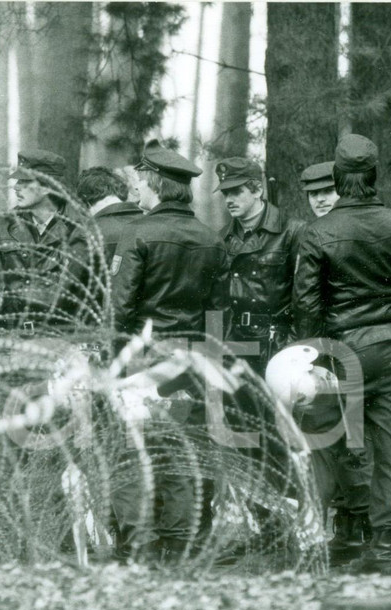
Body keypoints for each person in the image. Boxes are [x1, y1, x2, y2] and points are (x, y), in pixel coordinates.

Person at [293, 134, 391, 575]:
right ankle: (384, 549)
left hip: (341, 352)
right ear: (373, 176)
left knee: (333, 440)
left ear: (338, 177)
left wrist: (311, 359)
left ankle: (344, 530)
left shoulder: (319, 232)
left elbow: (307, 305)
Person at [110, 140, 228, 562]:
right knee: (182, 451)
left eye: (141, 182)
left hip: (143, 359)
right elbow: (218, 312)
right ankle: (179, 544)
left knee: (132, 453)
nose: (137, 190)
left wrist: (113, 364)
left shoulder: (137, 233)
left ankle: (139, 543)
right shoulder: (211, 239)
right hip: (192, 359)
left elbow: (118, 308)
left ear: (156, 184)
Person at [295, 159, 372, 567]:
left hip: (356, 354)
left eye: (328, 190)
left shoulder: (361, 230)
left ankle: (357, 529)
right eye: (313, 193)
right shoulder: (307, 235)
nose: (321, 199)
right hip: (321, 358)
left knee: (356, 444)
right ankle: (325, 533)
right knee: (323, 444)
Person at [0, 150, 91, 332]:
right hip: (13, 336)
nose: (16, 187)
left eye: (24, 182)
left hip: (62, 338)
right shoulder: (5, 224)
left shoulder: (79, 228)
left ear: (47, 187)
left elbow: (72, 291)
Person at [215, 157, 305, 375]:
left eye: (236, 192)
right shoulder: (221, 238)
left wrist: (291, 346)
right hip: (234, 345)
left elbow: (305, 296)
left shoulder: (292, 232)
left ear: (257, 191)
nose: (229, 200)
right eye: (226, 193)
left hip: (277, 343)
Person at [76, 167, 143, 326]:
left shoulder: (87, 234)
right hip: (144, 333)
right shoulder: (152, 227)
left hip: (97, 333)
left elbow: (70, 289)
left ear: (85, 202)